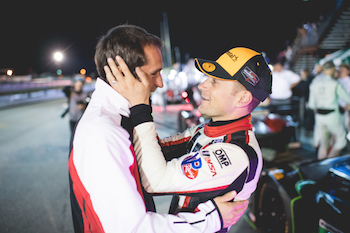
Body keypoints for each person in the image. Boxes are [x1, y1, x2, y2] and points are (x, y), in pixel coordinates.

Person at [69, 25, 248, 233]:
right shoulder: (102, 133)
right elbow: (134, 228)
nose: (161, 83)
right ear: (122, 73)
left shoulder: (116, 118)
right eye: (154, 74)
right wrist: (213, 218)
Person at [105, 47, 272, 232]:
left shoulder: (237, 153)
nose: (202, 85)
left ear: (242, 98)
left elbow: (154, 180)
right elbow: (153, 150)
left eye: (215, 81)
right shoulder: (206, 130)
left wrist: (140, 107)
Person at [309, 61, 350, 159]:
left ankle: (321, 164)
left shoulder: (315, 82)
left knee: (324, 142)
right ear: (332, 69)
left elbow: (311, 105)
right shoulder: (335, 83)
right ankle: (330, 162)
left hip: (319, 116)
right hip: (332, 115)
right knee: (341, 141)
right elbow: (347, 99)